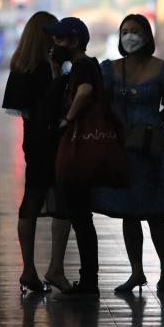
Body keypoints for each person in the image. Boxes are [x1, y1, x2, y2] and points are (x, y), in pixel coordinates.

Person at [93, 13, 164, 294]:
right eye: (124, 31)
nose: (129, 36)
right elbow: (102, 104)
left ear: (147, 36)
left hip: (152, 149)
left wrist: (151, 127)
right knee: (129, 211)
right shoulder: (109, 70)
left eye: (135, 31)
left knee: (154, 211)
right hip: (123, 147)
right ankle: (136, 271)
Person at [2, 10, 73, 295]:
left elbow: (22, 110)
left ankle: (28, 269)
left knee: (32, 198)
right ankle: (55, 268)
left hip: (33, 142)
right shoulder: (52, 67)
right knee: (63, 201)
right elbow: (60, 103)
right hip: (57, 140)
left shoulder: (20, 66)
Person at [45, 16, 103, 299]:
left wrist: (67, 119)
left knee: (81, 217)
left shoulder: (82, 65)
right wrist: (57, 71)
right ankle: (88, 280)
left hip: (81, 148)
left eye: (60, 38)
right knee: (81, 217)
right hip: (84, 147)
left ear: (75, 40)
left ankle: (89, 283)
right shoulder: (81, 65)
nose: (55, 43)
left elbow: (85, 91)